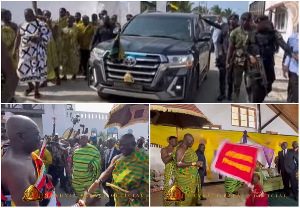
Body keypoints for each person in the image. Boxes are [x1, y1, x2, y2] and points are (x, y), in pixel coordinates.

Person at [1, 115, 57, 206]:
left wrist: (44, 178)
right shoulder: (14, 168)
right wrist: (82, 204)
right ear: (20, 137)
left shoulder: (27, 154)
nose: (40, 138)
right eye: (37, 134)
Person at [245, 15, 295, 103]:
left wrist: (292, 54)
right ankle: (254, 103)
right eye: (255, 22)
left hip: (268, 64)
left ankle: (258, 100)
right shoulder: (251, 34)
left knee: (268, 86)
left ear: (265, 23)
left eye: (258, 22)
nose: (255, 24)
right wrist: (250, 56)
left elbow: (283, 45)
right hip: (255, 65)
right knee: (256, 88)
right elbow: (245, 47)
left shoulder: (273, 34)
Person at [88, 134, 149, 206]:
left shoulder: (143, 160)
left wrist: (139, 192)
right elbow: (107, 172)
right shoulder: (117, 158)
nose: (121, 147)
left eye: (125, 145)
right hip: (119, 200)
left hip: (135, 201)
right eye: (120, 145)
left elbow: (149, 183)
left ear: (133, 144)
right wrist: (98, 181)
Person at [13, 8, 51, 99]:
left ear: (33, 15)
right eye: (26, 16)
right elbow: (18, 38)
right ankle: (30, 86)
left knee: (37, 71)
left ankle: (36, 91)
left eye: (29, 16)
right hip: (25, 52)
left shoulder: (40, 24)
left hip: (38, 52)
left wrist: (40, 39)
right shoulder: (22, 25)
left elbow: (49, 35)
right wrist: (15, 50)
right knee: (21, 69)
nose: (28, 18)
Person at [201, 14, 239, 101]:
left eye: (235, 19)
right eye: (231, 19)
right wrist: (220, 50)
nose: (233, 21)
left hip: (235, 57)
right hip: (223, 56)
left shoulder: (239, 30)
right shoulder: (224, 27)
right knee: (222, 76)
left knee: (231, 77)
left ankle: (229, 93)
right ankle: (222, 93)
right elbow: (218, 41)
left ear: (237, 20)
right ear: (229, 20)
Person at [226, 12, 253, 103]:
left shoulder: (254, 32)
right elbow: (230, 48)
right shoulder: (235, 32)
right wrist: (228, 61)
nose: (245, 22)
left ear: (250, 21)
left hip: (251, 62)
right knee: (237, 82)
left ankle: (250, 100)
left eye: (248, 20)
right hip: (238, 61)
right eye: (243, 20)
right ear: (241, 20)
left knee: (249, 83)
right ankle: (236, 99)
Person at [174, 134, 203, 206]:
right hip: (184, 179)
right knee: (183, 198)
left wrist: (198, 164)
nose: (192, 143)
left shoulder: (188, 149)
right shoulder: (181, 149)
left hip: (191, 178)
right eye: (192, 142)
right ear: (187, 140)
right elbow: (179, 164)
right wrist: (195, 163)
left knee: (190, 196)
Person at [42, 10, 60, 86]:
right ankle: (45, 80)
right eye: (45, 15)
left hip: (51, 44)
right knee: (44, 62)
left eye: (48, 15)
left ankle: (58, 78)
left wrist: (49, 24)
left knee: (54, 62)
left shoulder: (54, 24)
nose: (46, 16)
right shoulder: (40, 24)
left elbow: (55, 35)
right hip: (44, 44)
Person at [102, 138, 120, 206]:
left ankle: (113, 203)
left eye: (110, 141)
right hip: (107, 174)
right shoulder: (105, 151)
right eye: (107, 141)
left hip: (114, 175)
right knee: (108, 190)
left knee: (113, 190)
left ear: (113, 142)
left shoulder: (118, 151)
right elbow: (104, 163)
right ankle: (110, 201)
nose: (108, 143)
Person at [283, 25, 298, 103]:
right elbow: (288, 53)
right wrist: (285, 66)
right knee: (295, 97)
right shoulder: (292, 39)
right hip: (294, 71)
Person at [160, 136, 178, 206]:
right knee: (168, 189)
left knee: (177, 189)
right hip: (169, 173)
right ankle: (167, 205)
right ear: (169, 141)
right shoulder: (164, 149)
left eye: (176, 141)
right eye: (174, 141)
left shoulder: (178, 149)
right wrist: (173, 154)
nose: (175, 142)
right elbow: (165, 160)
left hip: (178, 172)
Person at [61, 16, 80, 80]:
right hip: (65, 47)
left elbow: (75, 36)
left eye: (70, 21)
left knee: (73, 61)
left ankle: (74, 74)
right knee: (64, 61)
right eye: (67, 21)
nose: (68, 22)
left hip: (73, 47)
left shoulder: (75, 28)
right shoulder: (64, 29)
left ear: (72, 21)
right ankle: (64, 75)